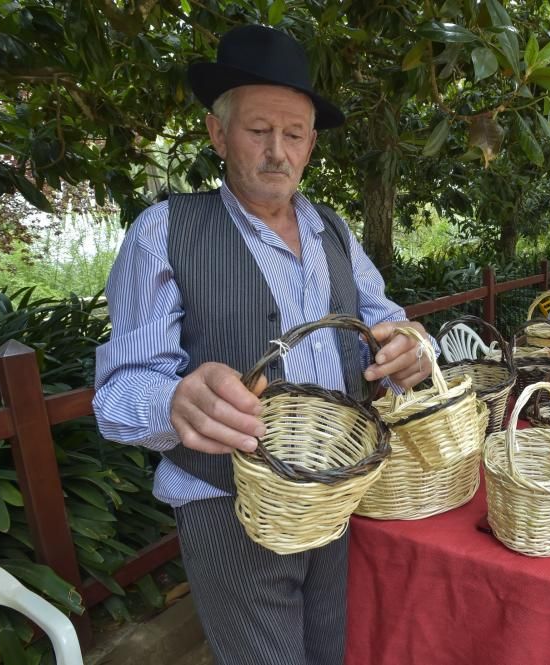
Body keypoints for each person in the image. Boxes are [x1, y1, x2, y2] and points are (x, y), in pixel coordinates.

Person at [92, 25, 433, 665]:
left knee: (332, 650)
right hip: (227, 507)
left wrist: (409, 346)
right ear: (219, 135)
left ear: (309, 146)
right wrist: (175, 401)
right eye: (258, 131)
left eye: (294, 134)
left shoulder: (333, 228)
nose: (277, 151)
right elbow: (117, 395)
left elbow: (387, 318)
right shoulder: (166, 231)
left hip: (336, 497)